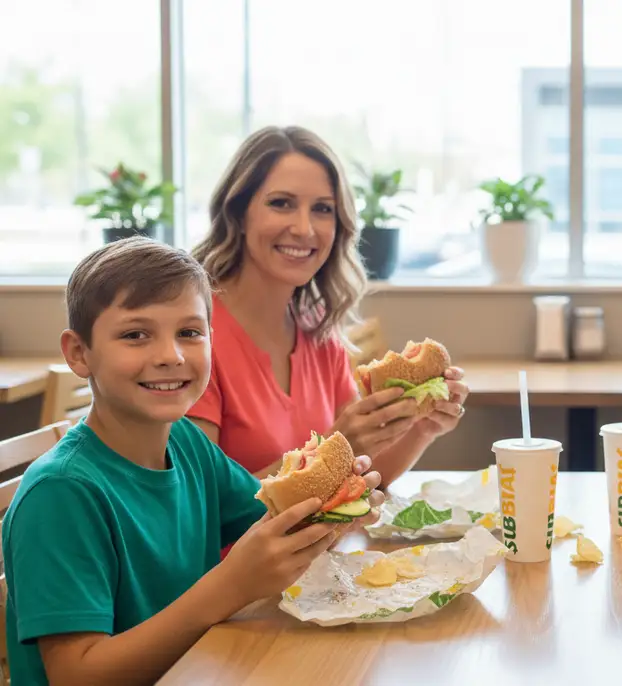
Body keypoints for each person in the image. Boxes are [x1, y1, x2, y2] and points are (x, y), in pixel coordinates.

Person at [1, 237, 386, 685]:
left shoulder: (185, 441)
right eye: (135, 334)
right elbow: (76, 675)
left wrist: (331, 506)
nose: (170, 356)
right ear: (78, 353)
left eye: (189, 332)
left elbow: (270, 522)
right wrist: (229, 587)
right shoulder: (61, 493)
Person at [188, 125, 468, 486]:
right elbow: (204, 509)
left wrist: (422, 429)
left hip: (324, 545)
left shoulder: (318, 329)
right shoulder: (192, 338)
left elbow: (364, 475)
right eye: (281, 203)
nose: (305, 228)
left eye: (322, 209)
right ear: (239, 214)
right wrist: (332, 452)